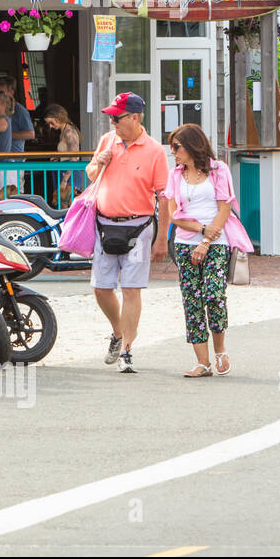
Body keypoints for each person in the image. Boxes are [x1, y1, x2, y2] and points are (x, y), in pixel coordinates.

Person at [87, 92, 171, 374]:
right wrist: (98, 162)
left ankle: (127, 350)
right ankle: (118, 331)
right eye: (110, 117)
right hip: (104, 223)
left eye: (117, 117)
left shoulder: (155, 151)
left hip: (139, 226)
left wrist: (163, 238)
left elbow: (164, 197)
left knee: (132, 289)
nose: (112, 123)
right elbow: (90, 173)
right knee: (101, 287)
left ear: (135, 117)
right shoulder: (107, 141)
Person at [163, 123, 253, 378]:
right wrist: (199, 230)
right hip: (184, 243)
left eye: (177, 147)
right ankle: (202, 362)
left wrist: (206, 240)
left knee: (213, 295)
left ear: (193, 145)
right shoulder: (175, 175)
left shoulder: (218, 170)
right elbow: (173, 215)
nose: (173, 152)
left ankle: (220, 349)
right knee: (191, 300)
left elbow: (224, 207)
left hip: (216, 242)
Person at [42, 103, 84, 205]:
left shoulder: (69, 132)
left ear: (58, 118)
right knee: (63, 205)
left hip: (70, 173)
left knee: (67, 206)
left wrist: (65, 179)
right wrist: (59, 156)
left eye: (51, 123)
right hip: (65, 171)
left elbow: (74, 157)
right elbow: (68, 153)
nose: (50, 126)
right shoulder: (64, 131)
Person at [0, 75, 36, 151]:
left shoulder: (20, 110)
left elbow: (31, 134)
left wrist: (7, 134)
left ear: (11, 93)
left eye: (2, 93)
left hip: (14, 157)